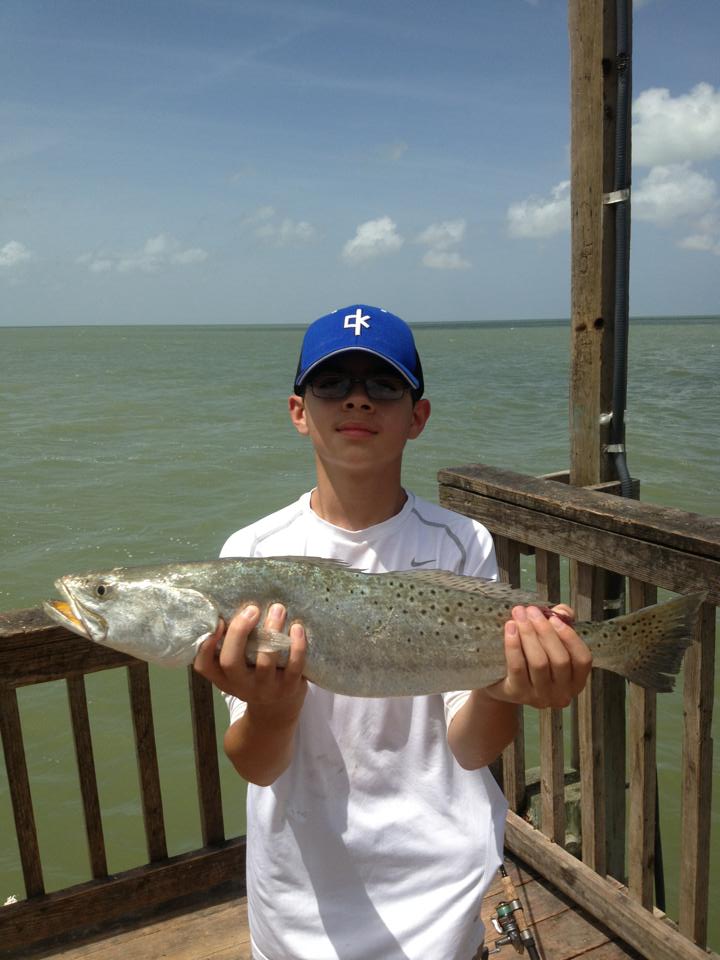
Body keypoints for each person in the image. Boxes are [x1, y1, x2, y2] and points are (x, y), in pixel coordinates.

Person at [194, 304, 592, 960]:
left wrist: (508, 690)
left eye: (382, 385)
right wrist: (271, 710)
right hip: (300, 894)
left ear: (417, 417)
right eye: (332, 384)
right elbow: (257, 762)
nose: (356, 399)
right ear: (299, 411)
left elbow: (471, 749)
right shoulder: (250, 554)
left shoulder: (462, 542)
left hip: (440, 889)